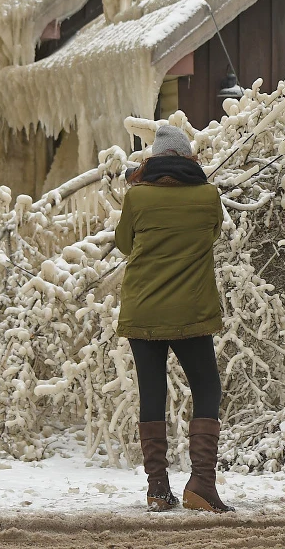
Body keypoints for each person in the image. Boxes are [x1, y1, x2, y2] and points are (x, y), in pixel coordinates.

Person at [115, 124, 232, 513]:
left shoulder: (137, 198)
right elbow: (213, 234)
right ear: (188, 160)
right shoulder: (208, 196)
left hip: (143, 309)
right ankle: (201, 483)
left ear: (153, 160)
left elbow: (123, 244)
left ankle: (157, 489)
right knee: (206, 386)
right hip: (191, 311)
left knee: (152, 391)